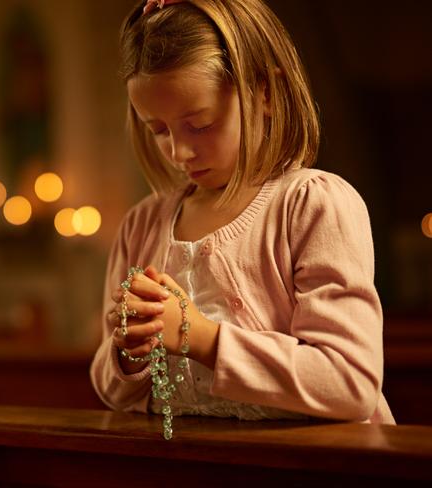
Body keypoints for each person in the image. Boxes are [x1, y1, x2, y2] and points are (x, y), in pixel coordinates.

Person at [89, 0, 395, 426]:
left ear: (264, 93)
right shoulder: (142, 225)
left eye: (200, 124)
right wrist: (128, 351)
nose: (179, 151)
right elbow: (111, 390)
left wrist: (201, 338)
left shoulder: (312, 204)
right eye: (157, 129)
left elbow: (350, 384)